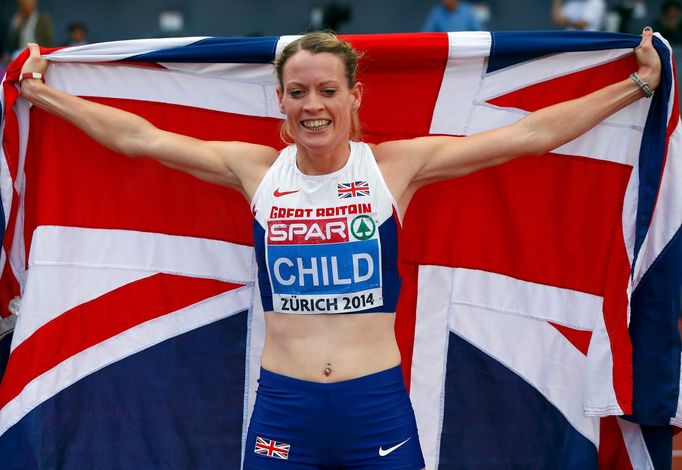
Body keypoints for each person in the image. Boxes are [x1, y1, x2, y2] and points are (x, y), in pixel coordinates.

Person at [17, 28, 661, 469]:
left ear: (355, 96)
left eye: (327, 90)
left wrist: (635, 87)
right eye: (298, 92)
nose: (313, 105)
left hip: (374, 406)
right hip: (283, 408)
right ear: (282, 101)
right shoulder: (256, 170)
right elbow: (139, 138)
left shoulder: (394, 168)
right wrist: (41, 93)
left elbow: (528, 135)